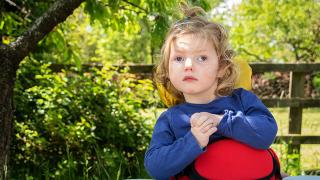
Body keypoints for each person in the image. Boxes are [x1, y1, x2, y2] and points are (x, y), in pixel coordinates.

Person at [144, 4, 278, 180]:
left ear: (222, 67)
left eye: (201, 58)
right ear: (167, 70)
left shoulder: (242, 100)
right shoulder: (171, 119)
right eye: (178, 58)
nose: (188, 65)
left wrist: (221, 121)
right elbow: (155, 168)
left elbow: (267, 133)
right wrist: (193, 140)